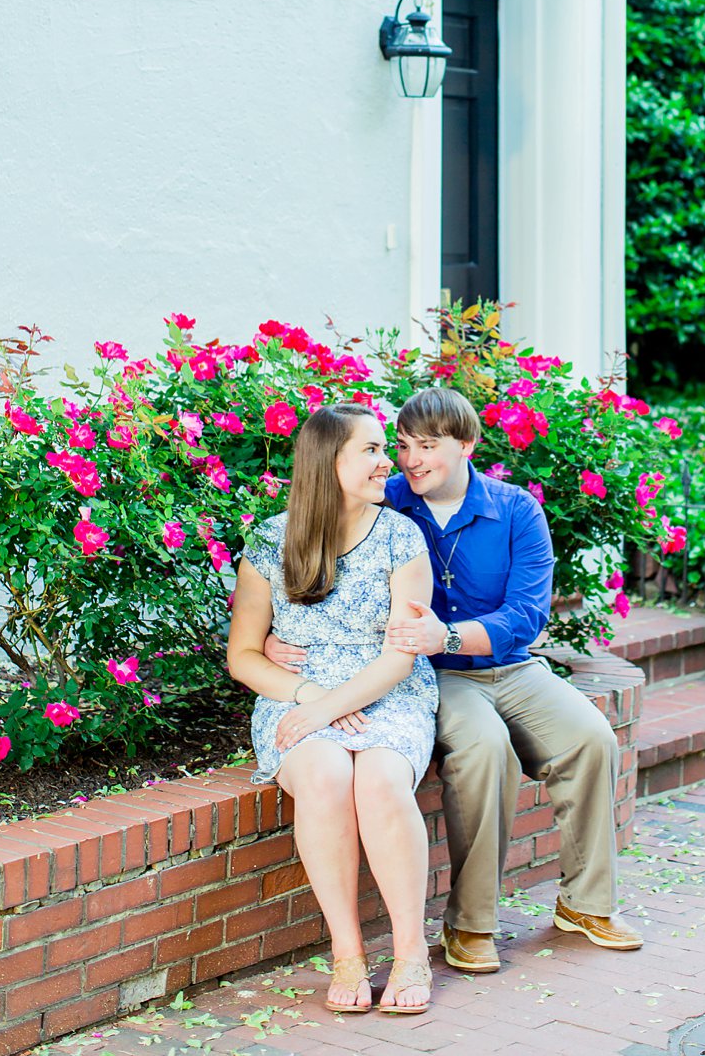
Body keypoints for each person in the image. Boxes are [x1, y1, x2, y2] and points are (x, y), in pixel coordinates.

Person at [265, 386, 643, 974]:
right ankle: (469, 924)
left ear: (467, 445)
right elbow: (316, 562)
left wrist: (452, 635)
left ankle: (585, 904)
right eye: (404, 445)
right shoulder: (384, 500)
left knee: (592, 739)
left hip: (509, 665)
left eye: (429, 446)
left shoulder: (515, 510)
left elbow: (527, 615)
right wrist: (273, 638)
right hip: (435, 678)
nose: (410, 459)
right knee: (484, 748)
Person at [226, 402, 439, 1016]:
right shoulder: (270, 538)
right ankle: (347, 951)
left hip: (387, 693)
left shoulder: (402, 534)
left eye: (383, 448)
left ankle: (408, 950)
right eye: (370, 450)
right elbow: (244, 655)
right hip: (298, 695)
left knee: (377, 780)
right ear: (329, 462)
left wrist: (334, 706)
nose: (386, 462)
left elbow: (401, 655)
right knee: (322, 775)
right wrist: (312, 701)